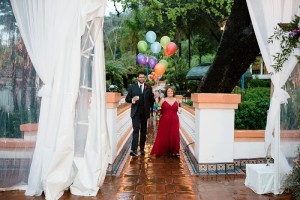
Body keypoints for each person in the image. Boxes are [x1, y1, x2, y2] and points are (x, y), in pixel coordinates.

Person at [125, 71, 154, 156]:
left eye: (143, 77)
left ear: (145, 78)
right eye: (140, 77)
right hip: (135, 112)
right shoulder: (132, 87)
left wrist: (151, 107)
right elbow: (127, 99)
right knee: (136, 130)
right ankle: (133, 150)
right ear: (137, 78)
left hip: (145, 112)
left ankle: (142, 148)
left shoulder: (148, 87)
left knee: (144, 131)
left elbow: (151, 100)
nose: (142, 78)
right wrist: (133, 100)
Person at [150, 86, 181, 157]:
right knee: (164, 135)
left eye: (171, 91)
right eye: (168, 91)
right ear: (166, 93)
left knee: (174, 134)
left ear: (173, 92)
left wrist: (180, 110)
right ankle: (162, 150)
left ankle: (175, 151)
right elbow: (157, 109)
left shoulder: (177, 100)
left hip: (174, 120)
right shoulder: (163, 100)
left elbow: (179, 109)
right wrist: (158, 118)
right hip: (164, 120)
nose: (170, 92)